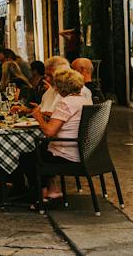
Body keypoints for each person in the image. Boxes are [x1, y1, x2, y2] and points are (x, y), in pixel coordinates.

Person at [31, 69, 91, 201]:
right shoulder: (84, 101)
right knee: (41, 150)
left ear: (61, 88)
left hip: (66, 154)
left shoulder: (65, 103)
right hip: (82, 151)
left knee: (29, 156)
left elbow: (49, 132)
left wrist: (38, 117)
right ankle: (53, 190)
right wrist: (49, 114)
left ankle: (41, 197)